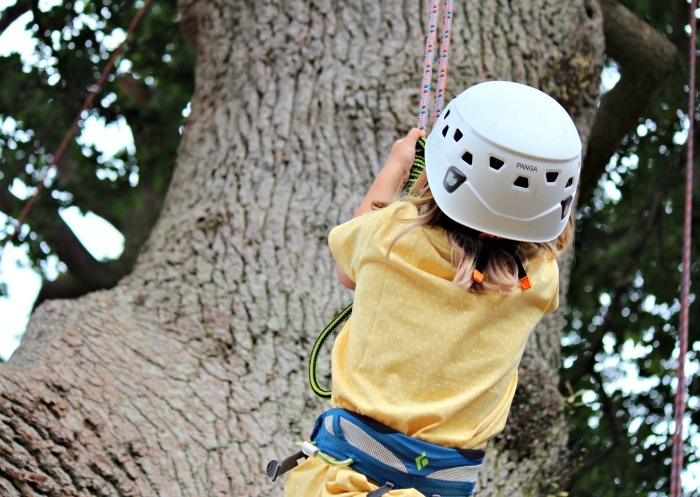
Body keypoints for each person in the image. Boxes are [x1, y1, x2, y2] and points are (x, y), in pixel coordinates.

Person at [282, 81, 582, 497]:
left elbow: (347, 271)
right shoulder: (537, 280)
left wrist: (397, 166)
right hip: (441, 486)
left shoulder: (393, 235)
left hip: (345, 474)